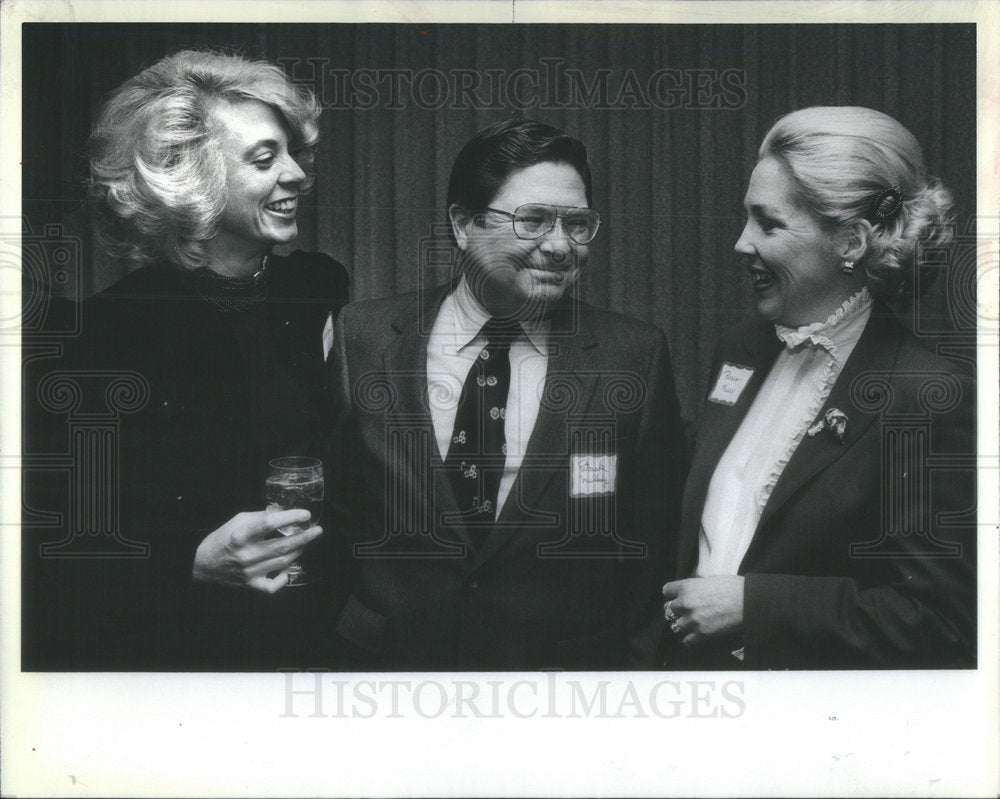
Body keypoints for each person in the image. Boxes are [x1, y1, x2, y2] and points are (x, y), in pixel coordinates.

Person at [324, 119, 687, 670]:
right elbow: (337, 514)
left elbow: (653, 543)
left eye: (578, 223)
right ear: (464, 224)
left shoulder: (632, 355)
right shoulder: (364, 336)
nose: (561, 246)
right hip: (387, 673)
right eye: (534, 221)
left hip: (560, 686)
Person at [48, 50, 350, 669]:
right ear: (190, 179)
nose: (296, 173)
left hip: (325, 629)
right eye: (265, 159)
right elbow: (66, 545)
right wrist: (193, 561)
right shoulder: (107, 331)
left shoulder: (318, 285)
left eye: (292, 151)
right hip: (191, 649)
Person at [661, 106, 975, 669]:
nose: (741, 243)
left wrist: (757, 607)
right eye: (745, 219)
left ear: (851, 241)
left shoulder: (926, 394)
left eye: (769, 223)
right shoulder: (740, 350)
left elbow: (943, 624)